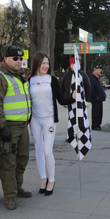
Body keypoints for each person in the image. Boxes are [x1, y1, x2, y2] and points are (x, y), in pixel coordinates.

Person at [0, 44, 32, 210]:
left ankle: (17, 187)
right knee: (8, 162)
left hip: (23, 126)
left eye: (21, 58)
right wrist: (2, 127)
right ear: (5, 59)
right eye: (15, 58)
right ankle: (10, 196)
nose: (19, 61)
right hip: (10, 127)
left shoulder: (20, 77)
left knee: (22, 160)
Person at [29, 51, 74, 196]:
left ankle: (51, 180)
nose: (46, 66)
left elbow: (61, 100)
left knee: (48, 151)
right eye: (43, 63)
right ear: (37, 63)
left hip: (48, 119)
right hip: (35, 120)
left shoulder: (52, 79)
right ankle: (43, 179)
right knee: (39, 150)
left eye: (48, 63)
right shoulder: (30, 80)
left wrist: (73, 98)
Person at [62, 57, 90, 141]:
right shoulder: (67, 75)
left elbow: (88, 87)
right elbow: (63, 88)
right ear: (70, 65)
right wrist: (63, 100)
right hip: (70, 101)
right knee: (71, 118)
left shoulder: (82, 74)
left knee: (81, 118)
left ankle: (82, 135)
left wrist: (87, 99)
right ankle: (71, 136)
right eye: (73, 64)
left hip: (81, 101)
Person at [89, 66, 106, 130]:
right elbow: (91, 89)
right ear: (94, 71)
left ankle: (98, 124)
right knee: (95, 112)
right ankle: (94, 125)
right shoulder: (92, 79)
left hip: (100, 98)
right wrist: (96, 97)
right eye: (98, 70)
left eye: (100, 69)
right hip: (95, 99)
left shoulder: (99, 78)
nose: (100, 71)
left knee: (100, 112)